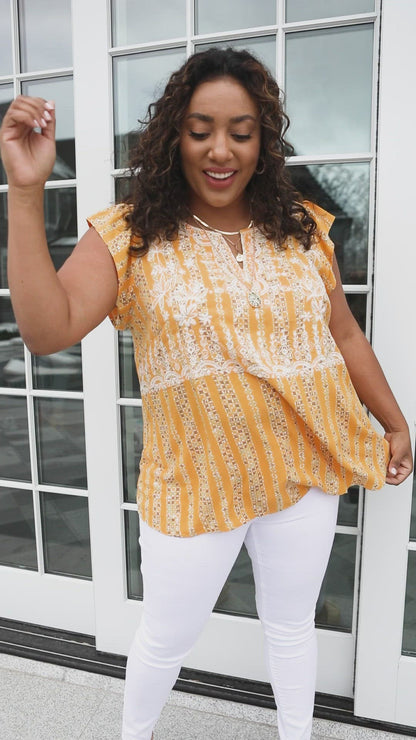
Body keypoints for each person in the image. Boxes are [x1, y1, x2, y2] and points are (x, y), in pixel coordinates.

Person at [0, 48, 412, 740]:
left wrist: (394, 422)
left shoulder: (304, 230)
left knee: (290, 627)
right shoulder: (128, 235)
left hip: (305, 469)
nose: (220, 150)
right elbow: (47, 330)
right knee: (165, 635)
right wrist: (28, 191)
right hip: (193, 480)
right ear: (173, 136)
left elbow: (343, 337)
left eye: (241, 131)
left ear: (264, 142)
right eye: (200, 130)